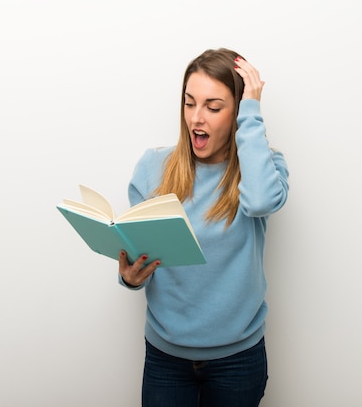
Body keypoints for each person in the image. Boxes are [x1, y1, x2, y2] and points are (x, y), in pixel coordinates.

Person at [118, 47, 289, 407]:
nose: (197, 118)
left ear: (238, 112)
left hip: (238, 360)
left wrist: (253, 112)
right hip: (167, 357)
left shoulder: (264, 168)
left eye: (213, 107)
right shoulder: (154, 167)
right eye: (189, 103)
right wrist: (132, 277)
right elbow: (143, 253)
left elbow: (260, 202)